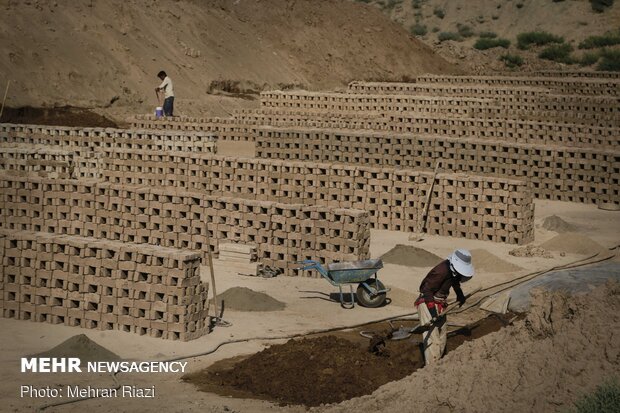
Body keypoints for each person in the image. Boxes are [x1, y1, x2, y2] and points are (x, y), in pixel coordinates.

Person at [414, 249, 474, 364]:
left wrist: (460, 296)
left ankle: (439, 365)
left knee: (442, 337)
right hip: (428, 303)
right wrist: (433, 313)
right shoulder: (441, 271)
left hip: (440, 304)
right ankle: (431, 368)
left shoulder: (454, 273)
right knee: (433, 338)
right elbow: (426, 290)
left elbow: (455, 283)